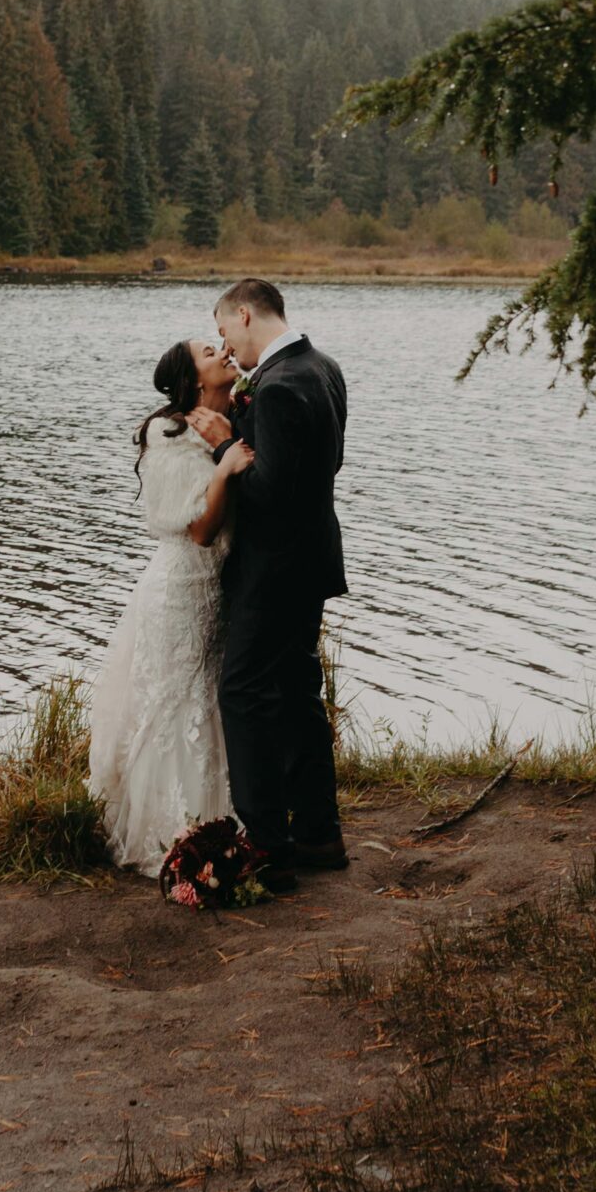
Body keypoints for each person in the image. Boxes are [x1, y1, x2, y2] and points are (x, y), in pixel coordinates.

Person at [87, 337, 254, 871]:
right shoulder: (170, 433)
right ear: (192, 377)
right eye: (210, 351)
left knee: (208, 700)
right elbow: (202, 532)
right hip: (180, 590)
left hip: (214, 590)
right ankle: (173, 834)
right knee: (178, 704)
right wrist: (226, 470)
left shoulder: (235, 414)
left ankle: (222, 827)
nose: (223, 351)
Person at [210, 277, 348, 892]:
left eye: (223, 333)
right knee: (296, 690)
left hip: (275, 568)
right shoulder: (323, 367)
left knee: (243, 691)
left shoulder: (282, 386)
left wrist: (226, 446)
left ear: (244, 315)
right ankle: (319, 833)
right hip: (312, 561)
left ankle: (268, 844)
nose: (226, 348)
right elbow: (325, 467)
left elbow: (272, 495)